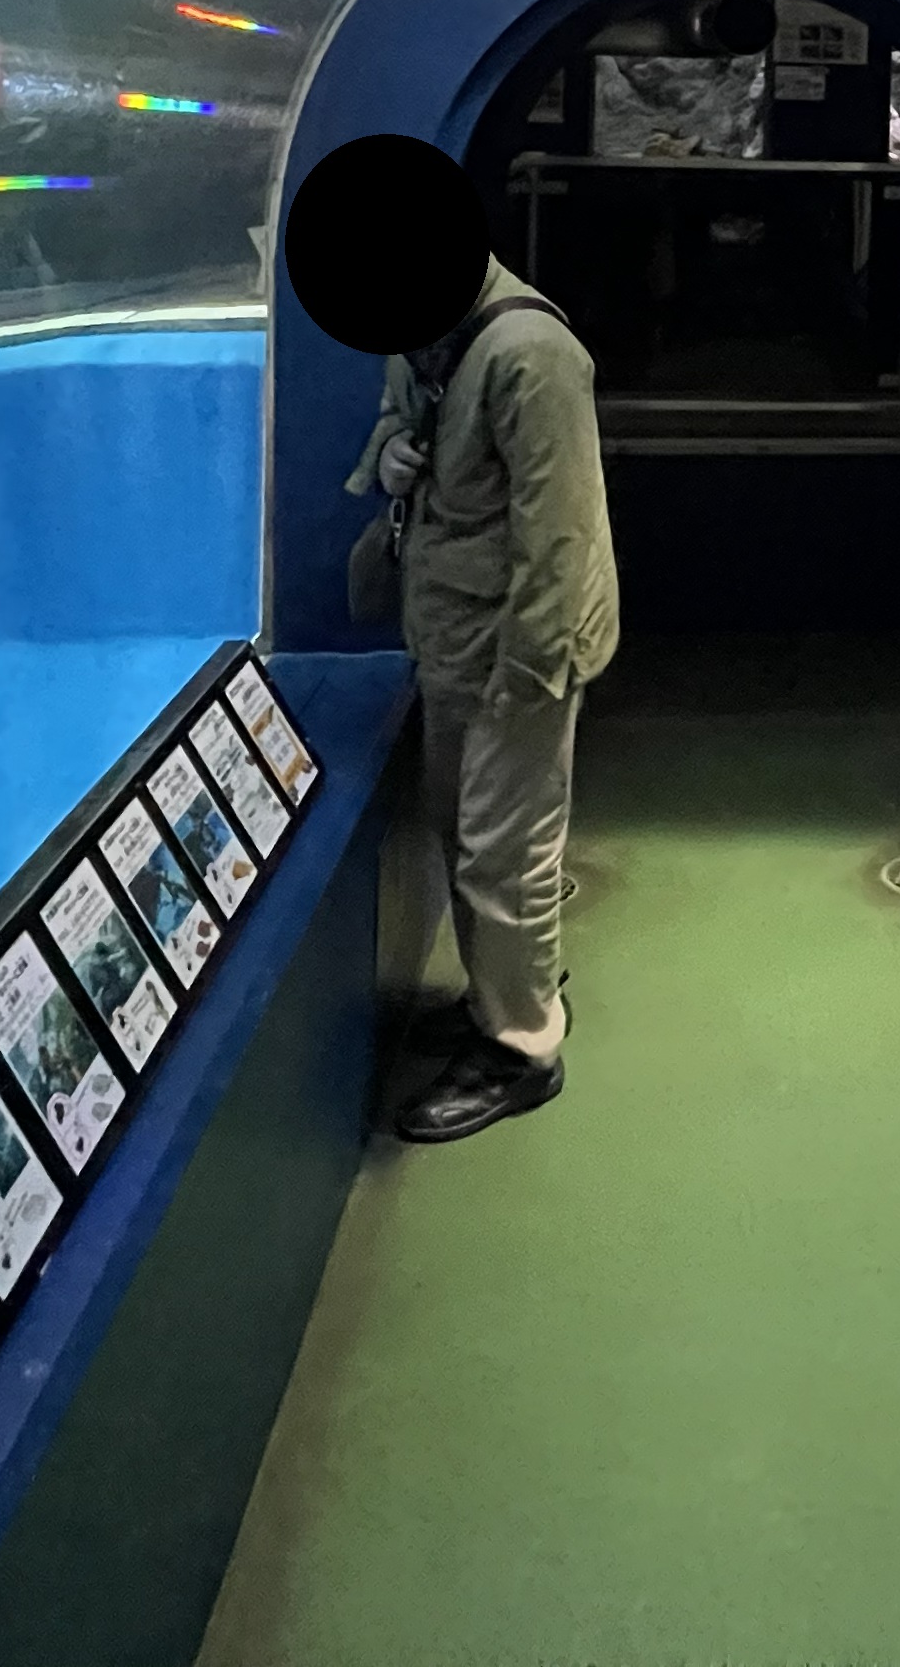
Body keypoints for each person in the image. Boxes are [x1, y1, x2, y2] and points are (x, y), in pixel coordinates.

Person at [282, 133, 618, 1143]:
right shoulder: (421, 325)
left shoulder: (532, 355)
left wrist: (532, 674)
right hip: (451, 630)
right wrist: (390, 456)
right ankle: (501, 991)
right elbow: (396, 428)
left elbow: (563, 535)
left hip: (521, 644)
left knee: (505, 850)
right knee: (463, 829)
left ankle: (523, 1048)